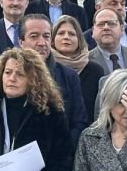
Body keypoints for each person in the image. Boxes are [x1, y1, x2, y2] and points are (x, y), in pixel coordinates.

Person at [20, 13, 87, 143]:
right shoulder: (10, 75)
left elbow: (79, 122)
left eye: (46, 36)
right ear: (21, 42)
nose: (41, 43)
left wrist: (62, 150)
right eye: (34, 36)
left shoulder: (68, 76)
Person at [51, 15, 106, 128]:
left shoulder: (95, 71)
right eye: (61, 33)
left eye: (72, 34)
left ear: (79, 39)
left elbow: (101, 109)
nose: (66, 37)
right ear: (52, 39)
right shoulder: (47, 69)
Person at [89, 8, 127, 75]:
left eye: (111, 23)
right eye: (100, 24)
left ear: (122, 29)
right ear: (93, 31)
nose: (106, 28)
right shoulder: (85, 61)